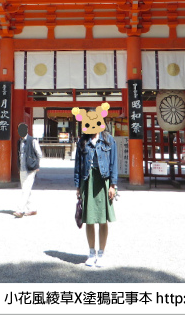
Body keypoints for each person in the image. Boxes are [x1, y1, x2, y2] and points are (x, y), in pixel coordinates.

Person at [73, 103, 118, 268]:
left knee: (103, 220)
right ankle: (91, 252)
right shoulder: (82, 142)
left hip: (103, 180)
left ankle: (102, 253)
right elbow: (77, 166)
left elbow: (114, 163)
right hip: (88, 180)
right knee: (89, 219)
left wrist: (113, 185)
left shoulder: (108, 140)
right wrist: (78, 187)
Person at [14, 122, 42, 218]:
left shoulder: (32, 140)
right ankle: (32, 209)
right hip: (22, 168)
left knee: (25, 189)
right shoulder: (19, 141)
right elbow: (19, 155)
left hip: (31, 168)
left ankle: (20, 210)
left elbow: (39, 154)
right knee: (26, 189)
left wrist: (37, 165)